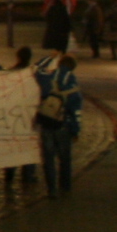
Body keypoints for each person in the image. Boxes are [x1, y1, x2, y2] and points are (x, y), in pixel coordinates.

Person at [34, 52, 83, 197]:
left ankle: (51, 189)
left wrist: (50, 57)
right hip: (63, 124)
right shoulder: (72, 83)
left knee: (48, 158)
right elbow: (75, 110)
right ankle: (65, 187)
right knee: (64, 158)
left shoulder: (47, 78)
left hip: (47, 122)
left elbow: (37, 68)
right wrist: (75, 130)